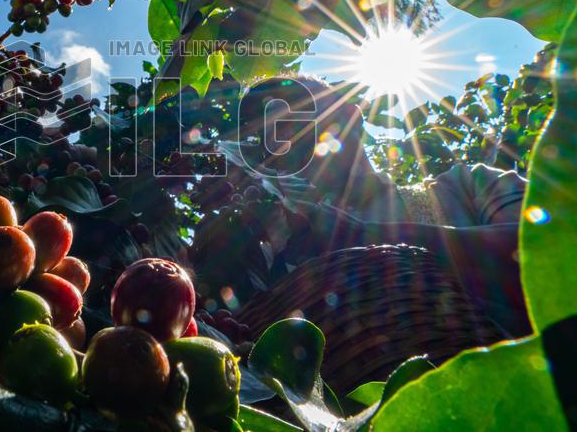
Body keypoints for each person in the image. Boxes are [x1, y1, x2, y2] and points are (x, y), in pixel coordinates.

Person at [192, 75, 531, 337]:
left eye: (301, 126)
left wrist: (366, 238)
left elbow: (548, 249)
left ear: (352, 121)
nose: (286, 149)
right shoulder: (295, 258)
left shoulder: (468, 185)